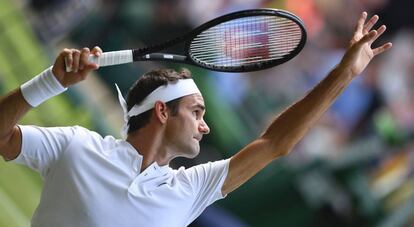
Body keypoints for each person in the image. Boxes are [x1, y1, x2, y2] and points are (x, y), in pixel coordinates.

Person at [0, 12, 391, 227]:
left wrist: (344, 74)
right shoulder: (77, 145)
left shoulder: (191, 189)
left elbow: (275, 144)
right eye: (197, 112)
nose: (205, 126)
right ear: (162, 110)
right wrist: (49, 82)